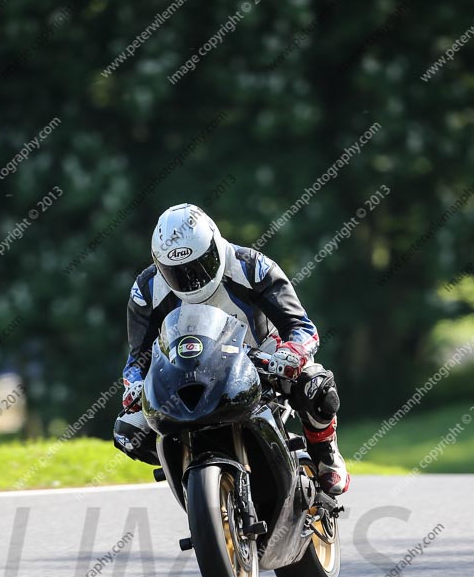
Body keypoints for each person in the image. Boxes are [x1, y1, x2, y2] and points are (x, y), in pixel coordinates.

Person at [114, 203, 349, 495]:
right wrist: (134, 385)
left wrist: (292, 353)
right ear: (160, 266)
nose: (192, 279)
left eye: (200, 266)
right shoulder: (147, 289)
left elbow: (301, 326)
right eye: (179, 273)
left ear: (215, 245)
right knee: (129, 430)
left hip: (261, 362)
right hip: (188, 373)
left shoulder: (252, 266)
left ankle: (325, 453)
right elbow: (137, 358)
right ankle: (189, 477)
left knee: (315, 384)